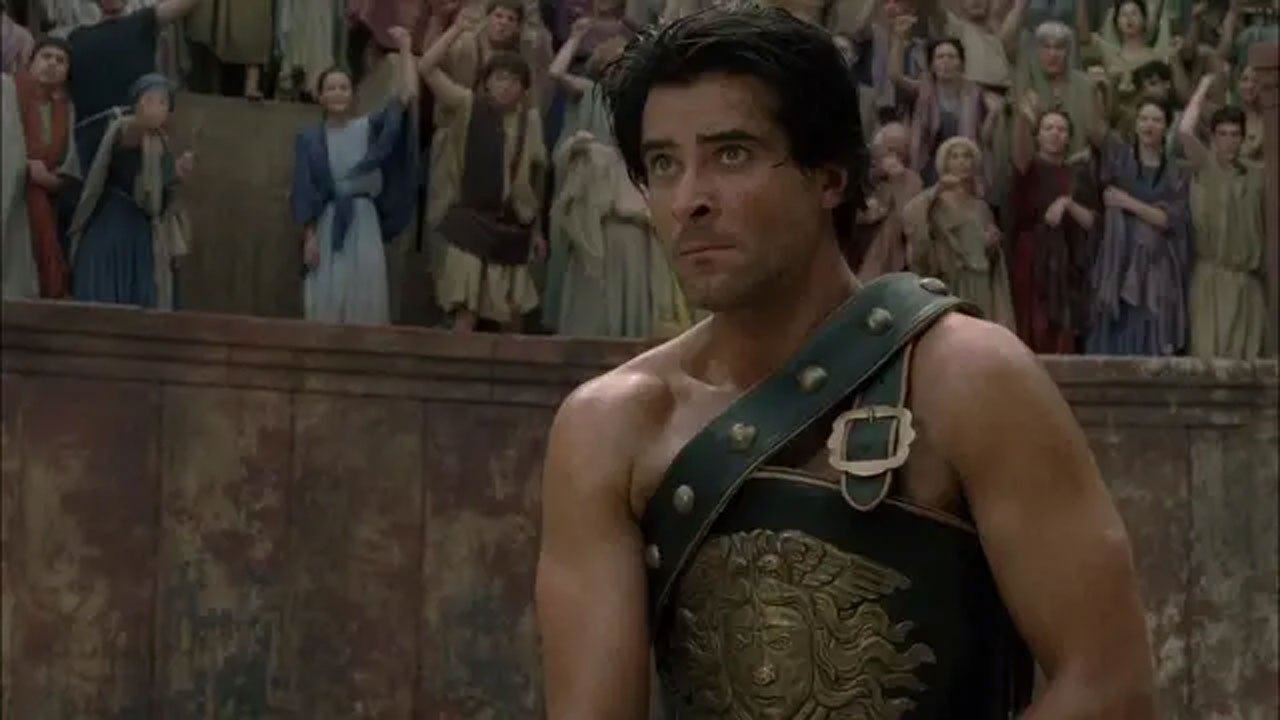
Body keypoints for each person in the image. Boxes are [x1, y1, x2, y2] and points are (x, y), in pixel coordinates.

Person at [535, 6, 1155, 719]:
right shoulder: (611, 426)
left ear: (829, 176)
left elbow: (1108, 684)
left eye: (731, 154)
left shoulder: (968, 380)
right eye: (664, 164)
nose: (689, 201)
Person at [420, 13, 547, 332]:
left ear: (524, 90)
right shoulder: (467, 105)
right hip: (472, 222)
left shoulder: (529, 122)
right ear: (487, 82)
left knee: (512, 317)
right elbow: (427, 68)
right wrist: (456, 29)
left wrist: (537, 232)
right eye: (500, 78)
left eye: (515, 81)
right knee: (466, 312)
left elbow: (534, 181)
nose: (507, 86)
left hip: (511, 225)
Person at [290, 28, 420, 326]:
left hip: (364, 218)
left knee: (365, 292)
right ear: (320, 96)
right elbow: (303, 189)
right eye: (331, 88)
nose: (338, 93)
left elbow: (405, 97)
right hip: (328, 220)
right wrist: (309, 237)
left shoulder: (368, 128)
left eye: (344, 88)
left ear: (352, 95)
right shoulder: (310, 140)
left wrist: (405, 48)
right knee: (328, 292)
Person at [66, 73, 194, 310]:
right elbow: (133, 175)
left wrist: (176, 173)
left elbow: (161, 195)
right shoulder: (124, 129)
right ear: (136, 104)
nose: (155, 108)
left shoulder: (162, 143)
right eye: (149, 100)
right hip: (114, 226)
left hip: (144, 231)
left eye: (163, 102)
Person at [1087, 98, 1190, 356]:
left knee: (1152, 325)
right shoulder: (1119, 159)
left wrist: (1127, 202)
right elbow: (1095, 129)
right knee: (1119, 326)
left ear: (1166, 126)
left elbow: (1167, 220)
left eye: (1156, 120)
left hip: (1157, 265)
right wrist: (1099, 91)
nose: (1149, 125)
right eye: (1143, 119)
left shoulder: (1176, 171)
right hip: (1120, 259)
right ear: (1135, 124)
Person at [1179, 74, 1266, 360]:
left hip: (1247, 283)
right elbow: (1185, 131)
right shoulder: (1206, 167)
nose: (1229, 141)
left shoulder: (1257, 175)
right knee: (1207, 358)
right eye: (1223, 134)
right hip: (1211, 280)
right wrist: (1203, 87)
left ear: (1243, 137)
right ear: (1214, 137)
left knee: (1248, 362)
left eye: (1235, 134)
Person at [1008, 97, 1098, 354]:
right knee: (1033, 326)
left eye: (1061, 129)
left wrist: (1067, 203)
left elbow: (1092, 222)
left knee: (1064, 333)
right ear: (1038, 136)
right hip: (1033, 257)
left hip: (1068, 261)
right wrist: (1023, 119)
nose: (1055, 134)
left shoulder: (1077, 175)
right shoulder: (1029, 168)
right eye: (1048, 128)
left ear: (1069, 138)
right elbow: (1020, 151)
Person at [903, 136, 1016, 329]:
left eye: (966, 156)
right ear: (944, 163)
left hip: (980, 282)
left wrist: (992, 245)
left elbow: (988, 254)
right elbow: (911, 217)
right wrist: (938, 189)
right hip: (950, 281)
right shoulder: (934, 202)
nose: (962, 161)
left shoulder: (981, 207)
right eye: (954, 156)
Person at [14, 37, 78, 299]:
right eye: (46, 56)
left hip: (44, 203)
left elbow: (71, 168)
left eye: (60, 60)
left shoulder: (67, 112)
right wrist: (22, 164)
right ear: (31, 62)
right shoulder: (7, 95)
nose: (52, 63)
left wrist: (49, 180)